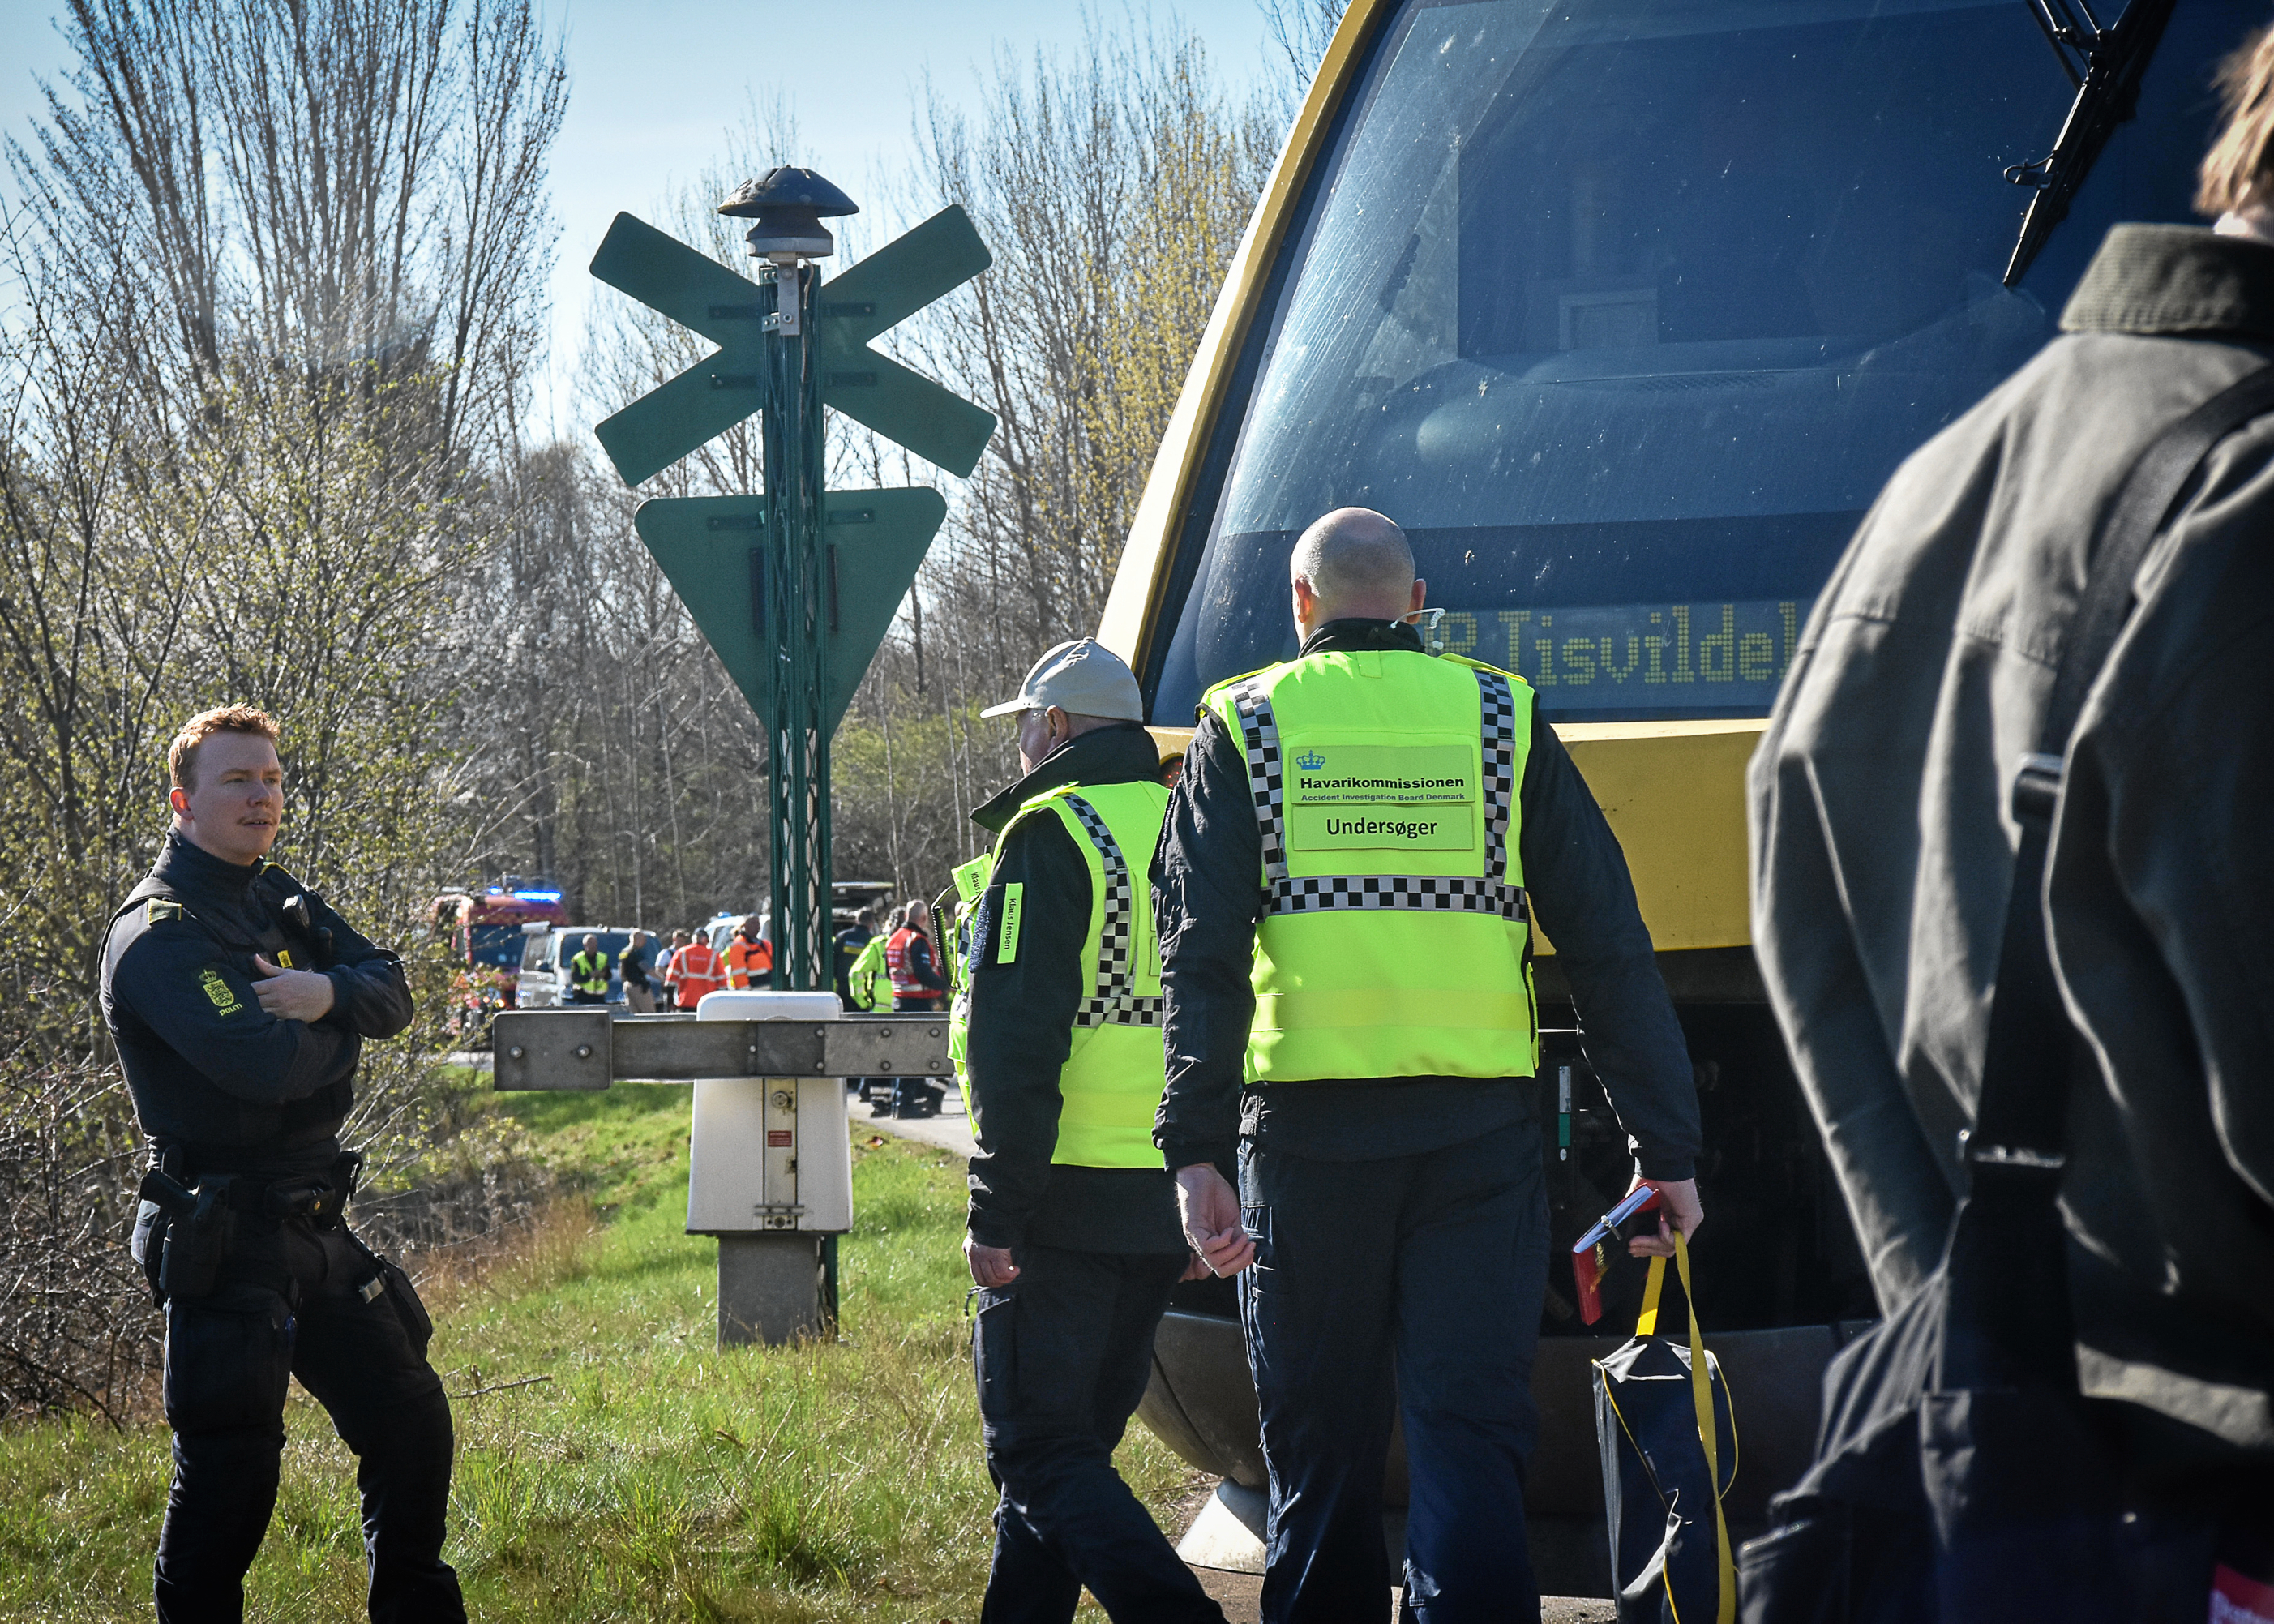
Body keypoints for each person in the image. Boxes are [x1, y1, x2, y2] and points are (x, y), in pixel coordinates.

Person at [1749, 37, 2274, 1603]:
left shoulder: (1932, 484)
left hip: (2024, 1504)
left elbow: (1820, 963)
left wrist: (1979, 1332)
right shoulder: (2247, 507)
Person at [1153, 509, 1705, 1623]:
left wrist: (1194, 1149)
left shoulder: (1243, 721)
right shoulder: (1500, 713)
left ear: (1300, 603)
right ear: (1416, 603)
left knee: (1318, 1449)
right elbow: (1606, 942)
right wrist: (1668, 1148)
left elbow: (1198, 959)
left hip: (1302, 1150)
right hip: (1479, 1147)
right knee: (1468, 1441)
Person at [100, 705, 465, 1623]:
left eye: (269, 778)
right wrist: (346, 1024)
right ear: (184, 801)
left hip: (313, 1223)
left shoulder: (276, 896)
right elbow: (262, 1068)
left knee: (410, 1418)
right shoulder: (160, 934)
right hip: (222, 1233)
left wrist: (326, 992)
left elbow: (393, 986)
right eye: (237, 780)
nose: (260, 796)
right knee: (230, 1475)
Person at [957, 639, 1230, 1624]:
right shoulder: (1193, 823)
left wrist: (997, 1207)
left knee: (1037, 1451)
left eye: (1027, 722)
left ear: (1059, 726)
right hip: (1165, 1195)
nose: (1022, 743)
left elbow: (1016, 1044)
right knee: (1064, 1463)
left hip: (1060, 1201)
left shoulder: (1052, 831)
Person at [885, 898, 950, 1116]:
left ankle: (905, 1101)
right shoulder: (917, 940)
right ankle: (904, 1105)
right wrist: (945, 986)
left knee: (905, 1054)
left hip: (900, 1001)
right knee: (914, 1055)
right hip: (918, 1003)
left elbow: (891, 972)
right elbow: (923, 973)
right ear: (923, 919)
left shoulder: (893, 938)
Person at [668, 926, 723, 1012]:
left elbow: (671, 980)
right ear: (707, 940)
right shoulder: (714, 955)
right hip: (708, 1003)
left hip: (686, 1002)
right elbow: (722, 982)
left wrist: (670, 1002)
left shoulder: (682, 953)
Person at [722, 916, 773, 990]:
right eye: (753, 923)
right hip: (753, 995)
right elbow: (739, 973)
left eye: (758, 923)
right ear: (745, 926)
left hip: (767, 992)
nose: (756, 926)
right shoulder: (739, 945)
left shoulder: (763, 944)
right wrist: (746, 995)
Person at [619, 929, 657, 1014]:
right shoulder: (636, 952)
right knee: (649, 1013)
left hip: (627, 985)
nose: (645, 942)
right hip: (638, 986)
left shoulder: (624, 952)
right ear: (637, 939)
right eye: (643, 939)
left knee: (633, 1013)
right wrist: (662, 978)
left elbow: (621, 970)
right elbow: (646, 969)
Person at [565, 934, 612, 1005]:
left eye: (594, 943)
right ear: (585, 945)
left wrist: (603, 974)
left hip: (600, 997)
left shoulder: (603, 957)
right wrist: (590, 976)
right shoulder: (578, 959)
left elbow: (609, 976)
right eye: (590, 943)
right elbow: (575, 978)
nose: (593, 946)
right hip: (583, 996)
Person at [653, 929, 685, 1013]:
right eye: (680, 940)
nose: (681, 943)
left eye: (683, 941)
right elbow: (658, 968)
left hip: (682, 985)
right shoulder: (666, 953)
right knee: (669, 1005)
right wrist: (672, 973)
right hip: (670, 985)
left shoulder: (684, 953)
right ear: (674, 940)